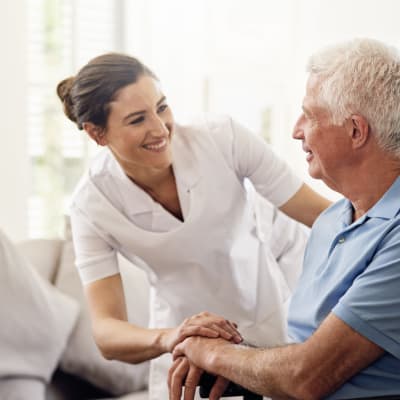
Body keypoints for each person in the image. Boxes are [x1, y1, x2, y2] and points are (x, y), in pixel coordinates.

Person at [56, 53, 329, 399]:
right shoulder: (91, 205)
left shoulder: (221, 138)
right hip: (188, 343)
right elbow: (107, 333)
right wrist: (171, 337)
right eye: (138, 119)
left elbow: (322, 216)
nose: (159, 128)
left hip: (269, 312)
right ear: (97, 134)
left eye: (162, 107)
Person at [168, 37, 400, 400]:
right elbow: (303, 349)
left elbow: (308, 376)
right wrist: (226, 350)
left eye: (310, 115)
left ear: (356, 130)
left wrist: (212, 352)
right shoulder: (330, 223)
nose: (296, 130)